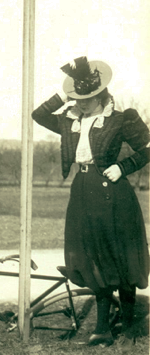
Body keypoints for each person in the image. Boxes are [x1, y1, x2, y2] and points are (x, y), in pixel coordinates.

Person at [32, 56, 150, 346]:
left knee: (117, 257)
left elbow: (148, 148)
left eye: (87, 98)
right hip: (83, 191)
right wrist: (65, 93)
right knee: (90, 257)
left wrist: (124, 167)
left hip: (113, 194)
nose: (81, 102)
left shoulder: (120, 119)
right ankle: (106, 328)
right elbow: (38, 114)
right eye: (78, 97)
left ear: (101, 96)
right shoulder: (70, 120)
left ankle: (120, 323)